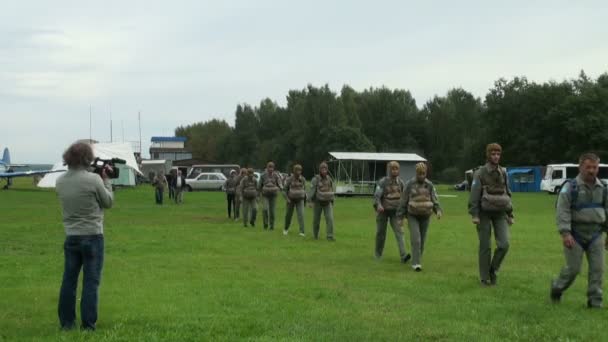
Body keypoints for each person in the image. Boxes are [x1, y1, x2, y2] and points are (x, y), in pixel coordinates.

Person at [55, 142, 114, 331]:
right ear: (87, 158)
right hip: (93, 235)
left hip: (71, 236)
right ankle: (88, 325)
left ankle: (67, 324)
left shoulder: (60, 181)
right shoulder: (93, 180)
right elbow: (108, 202)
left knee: (69, 281)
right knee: (91, 282)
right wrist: (106, 180)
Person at [551, 153, 608, 308]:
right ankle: (557, 287)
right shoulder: (570, 187)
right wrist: (565, 233)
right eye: (588, 167)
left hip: (596, 234)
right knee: (573, 269)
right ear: (580, 167)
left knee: (597, 269)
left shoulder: (604, 188)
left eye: (594, 167)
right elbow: (562, 211)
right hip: (575, 234)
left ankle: (595, 301)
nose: (591, 170)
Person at [468, 143, 514, 286]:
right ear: (488, 155)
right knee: (485, 245)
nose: (496, 156)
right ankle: (484, 277)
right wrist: (474, 214)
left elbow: (507, 193)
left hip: (500, 212)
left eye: (498, 154)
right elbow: (474, 195)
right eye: (493, 154)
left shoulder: (504, 172)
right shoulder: (480, 173)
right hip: (483, 213)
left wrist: (510, 213)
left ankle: (493, 269)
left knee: (504, 244)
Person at [398, 162, 442, 271]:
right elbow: (403, 200)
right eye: (419, 173)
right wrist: (400, 217)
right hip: (412, 215)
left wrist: (438, 210)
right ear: (416, 173)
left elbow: (434, 199)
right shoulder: (409, 184)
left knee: (422, 240)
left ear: (426, 173)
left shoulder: (430, 185)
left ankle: (417, 258)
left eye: (423, 173)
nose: (421, 176)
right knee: (416, 239)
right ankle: (416, 264)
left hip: (426, 215)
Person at [374, 161, 411, 265]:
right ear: (389, 170)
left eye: (396, 169)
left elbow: (404, 198)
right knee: (381, 233)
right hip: (383, 211)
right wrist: (379, 205)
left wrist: (405, 213)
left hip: (396, 212)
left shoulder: (401, 183)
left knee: (400, 232)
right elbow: (377, 196)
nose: (394, 171)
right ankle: (378, 254)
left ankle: (403, 255)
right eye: (392, 169)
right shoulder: (383, 182)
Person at [308, 162, 335, 241]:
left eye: (325, 169)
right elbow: (312, 191)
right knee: (316, 220)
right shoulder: (315, 179)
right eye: (322, 169)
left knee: (330, 219)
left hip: (327, 202)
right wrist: (310, 201)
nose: (324, 170)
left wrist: (332, 200)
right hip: (318, 202)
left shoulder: (329, 178)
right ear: (319, 170)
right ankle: (315, 235)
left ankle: (330, 236)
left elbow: (331, 189)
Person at [283, 164, 307, 236]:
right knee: (288, 215)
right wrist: (287, 199)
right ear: (294, 171)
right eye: (297, 170)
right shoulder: (289, 179)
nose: (298, 172)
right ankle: (286, 229)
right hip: (291, 200)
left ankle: (302, 231)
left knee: (301, 215)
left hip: (300, 199)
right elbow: (284, 190)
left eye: (300, 170)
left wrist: (305, 201)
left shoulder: (303, 179)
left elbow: (304, 190)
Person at [258, 162, 283, 230]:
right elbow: (259, 185)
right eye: (269, 167)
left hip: (273, 194)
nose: (270, 169)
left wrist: (281, 187)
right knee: (265, 209)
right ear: (267, 167)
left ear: (273, 168)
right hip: (265, 194)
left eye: (272, 167)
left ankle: (272, 226)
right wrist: (258, 194)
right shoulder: (263, 175)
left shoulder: (276, 175)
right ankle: (265, 224)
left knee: (272, 211)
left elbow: (279, 183)